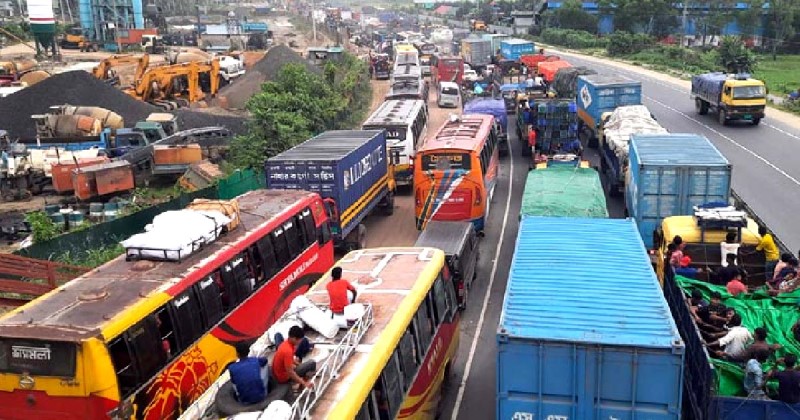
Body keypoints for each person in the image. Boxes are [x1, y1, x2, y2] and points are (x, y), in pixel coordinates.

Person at [272, 326, 316, 391]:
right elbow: (290, 372)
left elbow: (290, 361)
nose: (300, 342)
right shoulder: (288, 351)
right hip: (284, 378)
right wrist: (304, 383)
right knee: (312, 363)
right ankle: (303, 387)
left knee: (302, 366)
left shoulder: (285, 344)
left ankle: (302, 384)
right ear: (294, 338)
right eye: (300, 340)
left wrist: (298, 364)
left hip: (278, 374)